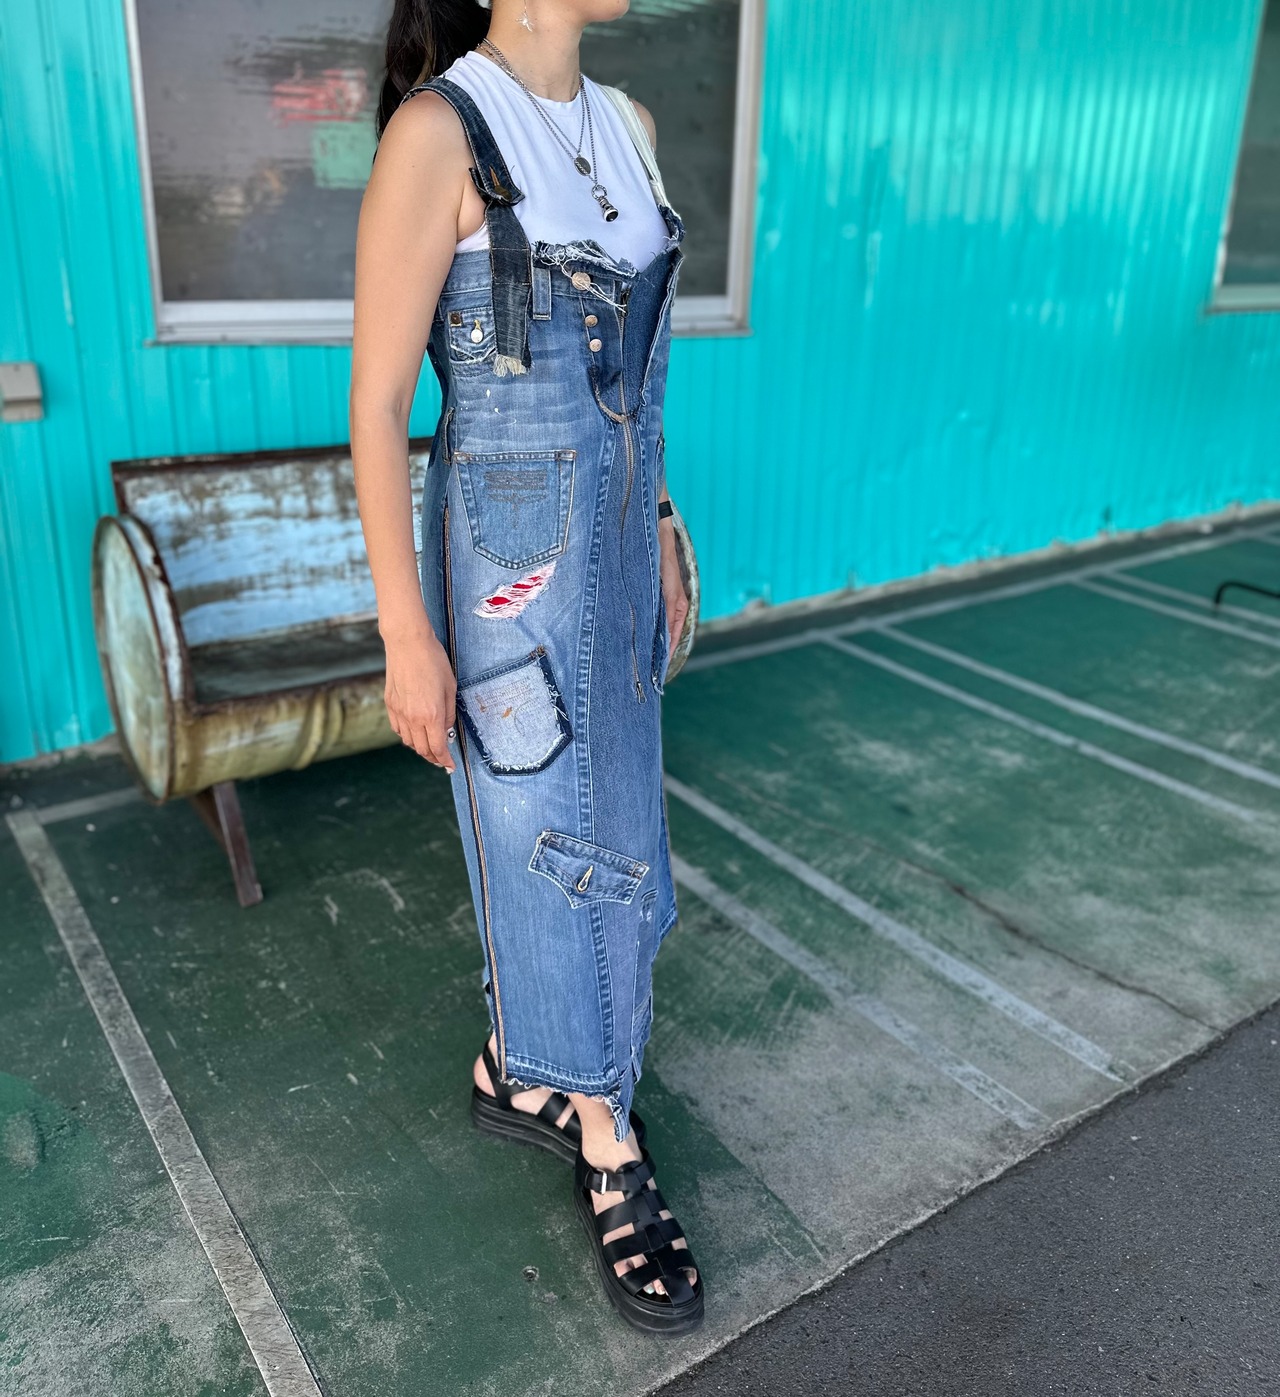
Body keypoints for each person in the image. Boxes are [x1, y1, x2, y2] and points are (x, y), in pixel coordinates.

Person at [349, 0, 703, 1335]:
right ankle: (605, 1127)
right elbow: (380, 403)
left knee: (627, 821)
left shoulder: (632, 127)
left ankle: (524, 1064)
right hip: (511, 557)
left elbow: (642, 387)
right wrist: (406, 629)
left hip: (618, 537)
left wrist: (660, 518)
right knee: (550, 832)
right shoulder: (440, 134)